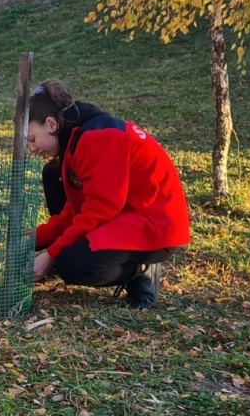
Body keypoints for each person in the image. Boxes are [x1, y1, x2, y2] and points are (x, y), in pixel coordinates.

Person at [27, 80, 190, 309]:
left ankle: (140, 270)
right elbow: (78, 207)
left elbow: (100, 208)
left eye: (32, 139)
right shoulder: (79, 136)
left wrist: (52, 255)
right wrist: (36, 239)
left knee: (73, 264)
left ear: (51, 124)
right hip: (130, 212)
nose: (32, 148)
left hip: (155, 225)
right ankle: (73, 254)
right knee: (53, 176)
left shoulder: (97, 138)